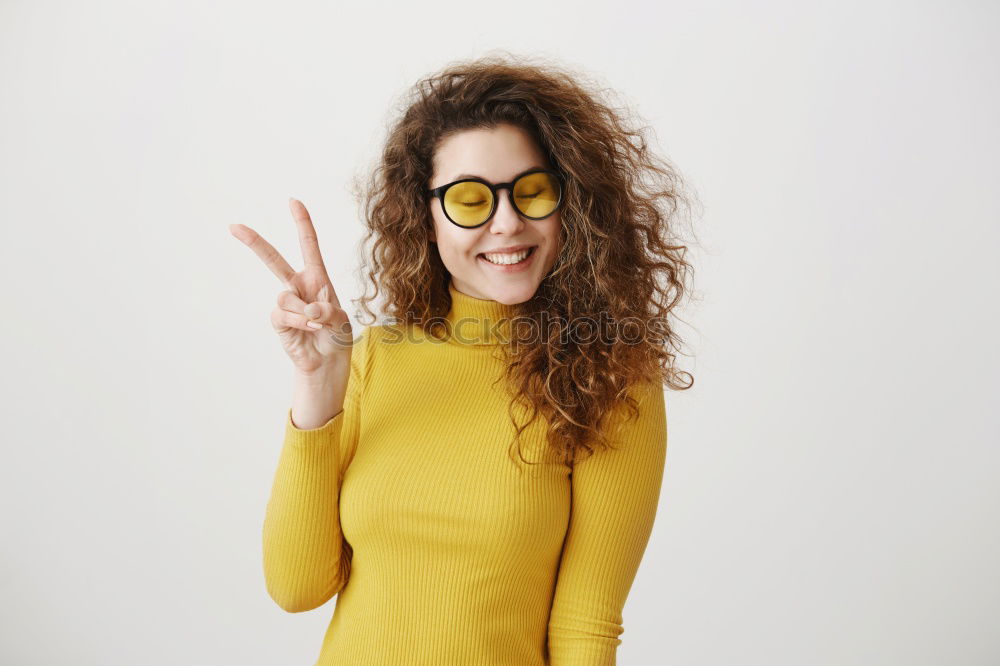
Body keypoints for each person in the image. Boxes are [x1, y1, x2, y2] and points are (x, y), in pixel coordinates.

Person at [230, 53, 695, 666]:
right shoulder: (370, 360)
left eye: (532, 192)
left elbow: (587, 626)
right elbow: (296, 588)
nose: (508, 223)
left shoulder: (610, 377)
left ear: (570, 204)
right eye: (471, 200)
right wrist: (316, 387)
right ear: (423, 218)